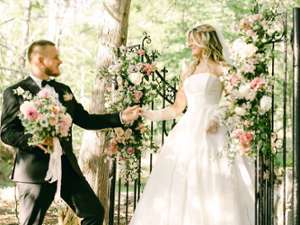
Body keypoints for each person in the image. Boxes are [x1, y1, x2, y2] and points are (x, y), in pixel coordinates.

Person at [0, 40, 141, 225]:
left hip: (66, 165)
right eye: (55, 57)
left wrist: (121, 117)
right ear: (40, 60)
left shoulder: (63, 90)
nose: (61, 61)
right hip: (35, 169)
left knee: (94, 213)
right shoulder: (15, 92)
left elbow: (86, 120)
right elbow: (6, 132)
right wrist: (34, 140)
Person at [129, 24, 255, 225]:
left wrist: (217, 117)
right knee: (181, 180)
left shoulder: (222, 67)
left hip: (214, 129)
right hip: (187, 130)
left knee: (212, 179)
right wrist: (148, 113)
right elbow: (177, 108)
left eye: (192, 39)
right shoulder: (188, 71)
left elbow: (234, 101)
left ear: (205, 40)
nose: (188, 44)